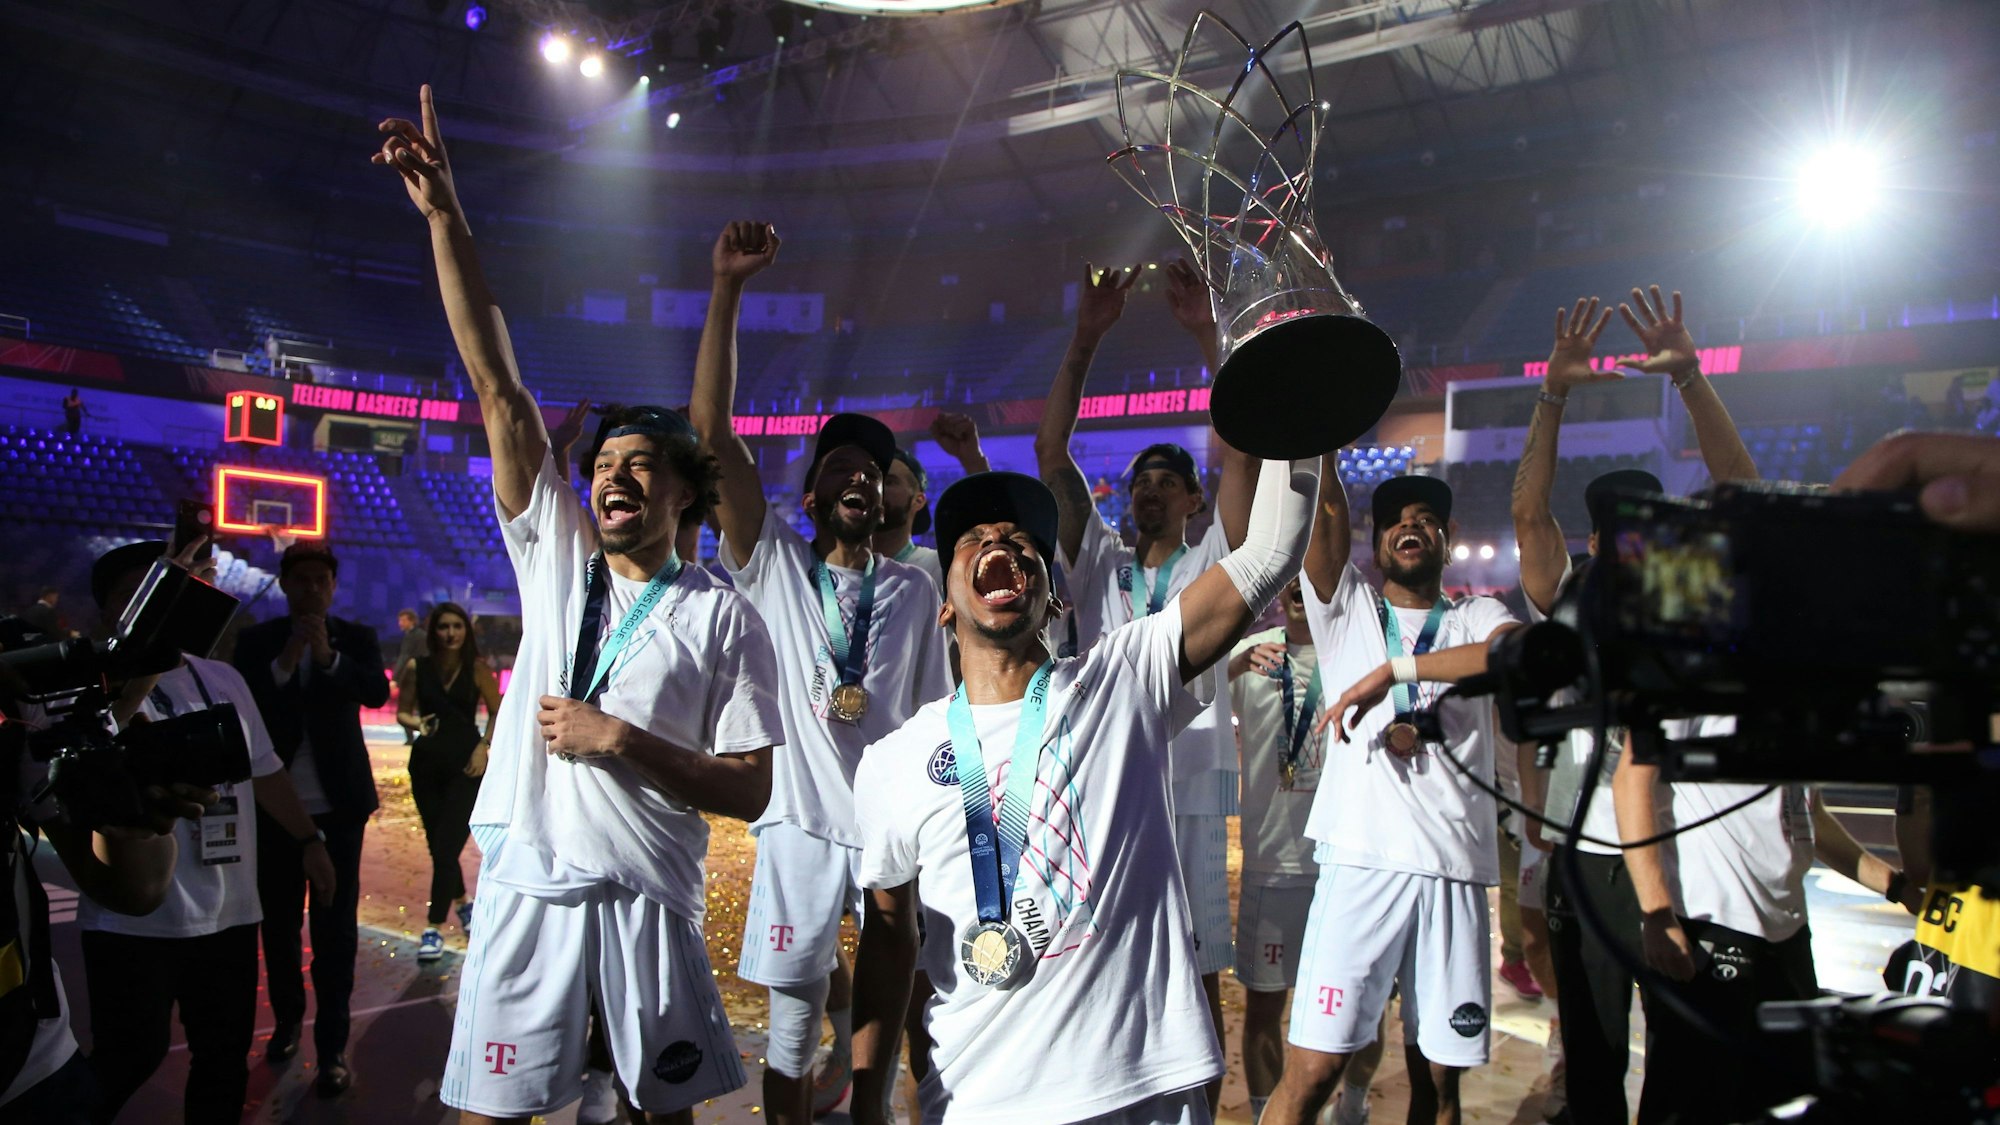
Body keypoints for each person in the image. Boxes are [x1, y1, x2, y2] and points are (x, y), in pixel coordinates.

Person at [377, 89, 786, 1125]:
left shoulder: (724, 615)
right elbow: (498, 390)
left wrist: (621, 740)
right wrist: (444, 220)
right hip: (533, 894)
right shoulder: (560, 560)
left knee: (665, 1117)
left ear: (685, 492)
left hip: (651, 900)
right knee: (490, 1116)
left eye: (642, 465)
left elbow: (745, 791)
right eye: (603, 463)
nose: (613, 478)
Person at [848, 451, 1315, 1125]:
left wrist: (1299, 415)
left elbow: (1271, 547)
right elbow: (890, 934)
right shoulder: (893, 761)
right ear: (946, 604)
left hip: (1141, 1092)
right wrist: (867, 1091)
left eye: (1023, 541)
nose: (1000, 541)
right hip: (979, 1099)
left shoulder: (1124, 677)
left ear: (1055, 596)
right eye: (973, 539)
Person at [688, 219, 952, 1125]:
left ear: (885, 499)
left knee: (887, 1001)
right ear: (810, 499)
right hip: (799, 821)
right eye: (839, 467)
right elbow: (712, 433)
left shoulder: (915, 594)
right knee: (795, 1026)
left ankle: (872, 1115)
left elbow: (931, 722)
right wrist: (728, 288)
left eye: (873, 473)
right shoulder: (770, 564)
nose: (860, 479)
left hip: (885, 824)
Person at [1508, 287, 1778, 1124]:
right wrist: (1552, 393)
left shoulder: (1685, 594)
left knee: (1678, 1057)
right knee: (1590, 1055)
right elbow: (1527, 510)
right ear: (1596, 539)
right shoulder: (1570, 591)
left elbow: (1746, 494)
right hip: (1587, 858)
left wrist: (1693, 378)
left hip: (1670, 857)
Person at [1033, 260, 1256, 1111]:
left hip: (1191, 785)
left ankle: (1196, 1103)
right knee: (1093, 948)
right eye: (1140, 482)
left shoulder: (1212, 561)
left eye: (1169, 481)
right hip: (1098, 784)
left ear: (1196, 499)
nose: (1150, 491)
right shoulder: (1097, 562)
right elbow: (1054, 452)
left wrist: (1208, 339)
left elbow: (1240, 450)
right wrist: (1086, 338)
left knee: (1195, 964)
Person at [1259, 466, 1522, 1125]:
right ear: (1373, 541)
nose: (1410, 523)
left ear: (1449, 537)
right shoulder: (1345, 606)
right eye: (1394, 518)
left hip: (1454, 871)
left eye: (1426, 517)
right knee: (1312, 1073)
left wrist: (1398, 671)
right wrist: (1329, 422)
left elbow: (1513, 656)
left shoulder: (1475, 614)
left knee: (1440, 1089)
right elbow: (1323, 508)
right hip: (1362, 864)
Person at [77, 540, 336, 1125]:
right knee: (128, 1056)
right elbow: (104, 730)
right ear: (110, 611)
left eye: (168, 593)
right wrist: (147, 655)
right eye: (138, 597)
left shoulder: (222, 677)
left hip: (229, 915)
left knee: (222, 1063)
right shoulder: (88, 684)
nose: (160, 606)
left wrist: (308, 842)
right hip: (133, 919)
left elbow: (264, 770)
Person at [1613, 716, 1918, 1124]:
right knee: (1691, 1104)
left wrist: (1897, 887)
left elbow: (1813, 817)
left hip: (1786, 934)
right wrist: (1655, 912)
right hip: (1710, 924)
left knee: (1786, 1101)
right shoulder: (1699, 681)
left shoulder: (1796, 697)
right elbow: (1632, 780)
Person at [232, 539, 389, 1097]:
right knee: (277, 929)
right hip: (274, 812)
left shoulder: (355, 638)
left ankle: (332, 1050)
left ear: (333, 586)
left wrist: (327, 659)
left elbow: (373, 692)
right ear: (284, 585)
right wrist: (288, 661)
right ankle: (287, 1024)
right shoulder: (256, 643)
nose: (313, 590)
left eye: (322, 581)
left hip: (340, 812)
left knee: (335, 935)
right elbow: (245, 706)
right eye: (302, 581)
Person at [1227, 577, 1385, 1125]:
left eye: (1309, 573)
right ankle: (1267, 1115)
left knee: (1357, 1009)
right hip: (1272, 861)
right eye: (1288, 574)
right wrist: (1229, 669)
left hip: (1347, 863)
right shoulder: (1249, 652)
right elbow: (1185, 689)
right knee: (1264, 1008)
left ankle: (1354, 1108)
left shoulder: (1360, 654)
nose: (1299, 583)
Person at [394, 602, 500, 962]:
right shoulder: (417, 667)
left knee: (444, 847)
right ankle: (463, 903)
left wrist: (484, 747)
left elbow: (498, 711)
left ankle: (433, 927)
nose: (451, 633)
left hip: (465, 767)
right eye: (444, 627)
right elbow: (402, 711)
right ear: (433, 631)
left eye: (457, 626)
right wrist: (417, 724)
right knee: (439, 847)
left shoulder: (477, 669)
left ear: (465, 631)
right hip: (425, 765)